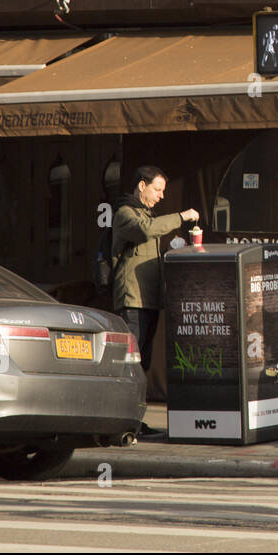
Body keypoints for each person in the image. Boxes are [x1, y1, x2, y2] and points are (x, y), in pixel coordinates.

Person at [112, 166, 198, 419]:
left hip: (149, 299)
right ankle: (122, 418)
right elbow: (147, 230)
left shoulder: (146, 214)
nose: (161, 196)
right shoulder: (125, 214)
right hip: (132, 299)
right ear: (142, 186)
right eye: (157, 189)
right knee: (130, 361)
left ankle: (136, 417)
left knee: (143, 363)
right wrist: (181, 217)